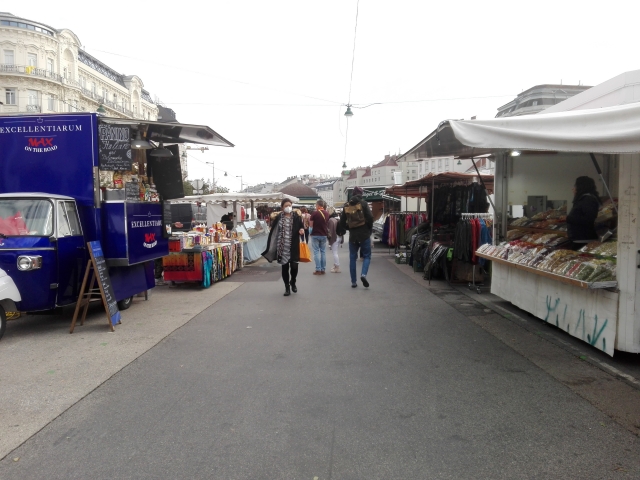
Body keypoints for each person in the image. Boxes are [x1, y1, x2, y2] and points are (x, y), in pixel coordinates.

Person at [262, 198, 305, 296]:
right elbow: (274, 232)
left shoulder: (296, 217)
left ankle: (293, 281)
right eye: (286, 206)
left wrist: (301, 230)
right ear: (282, 207)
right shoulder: (278, 218)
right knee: (284, 267)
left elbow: (301, 226)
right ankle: (287, 287)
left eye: (289, 205)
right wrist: (273, 247)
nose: (288, 207)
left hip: (293, 245)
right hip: (282, 246)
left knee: (294, 266)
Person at [338, 186, 374, 288]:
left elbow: (341, 222)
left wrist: (349, 228)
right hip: (364, 234)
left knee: (352, 258)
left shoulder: (347, 205)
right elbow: (370, 217)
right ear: (361, 194)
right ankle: (363, 274)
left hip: (353, 236)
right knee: (367, 256)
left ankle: (353, 282)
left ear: (352, 194)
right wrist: (368, 228)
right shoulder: (363, 203)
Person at [567, 176, 601, 248]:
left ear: (580, 187)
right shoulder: (584, 199)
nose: (573, 189)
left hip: (583, 240)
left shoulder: (588, 199)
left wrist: (568, 218)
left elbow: (588, 219)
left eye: (575, 186)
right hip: (579, 238)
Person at [309, 199, 329, 275]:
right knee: (323, 252)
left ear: (318, 205)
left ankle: (318, 269)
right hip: (324, 234)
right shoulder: (327, 213)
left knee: (316, 252)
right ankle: (323, 269)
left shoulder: (314, 213)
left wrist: (310, 233)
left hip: (315, 235)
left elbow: (311, 225)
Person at [327, 207, 343, 273]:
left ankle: (337, 267)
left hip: (335, 237)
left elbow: (330, 231)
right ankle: (336, 265)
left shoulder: (331, 220)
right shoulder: (338, 217)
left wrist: (329, 240)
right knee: (336, 252)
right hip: (339, 236)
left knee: (334, 252)